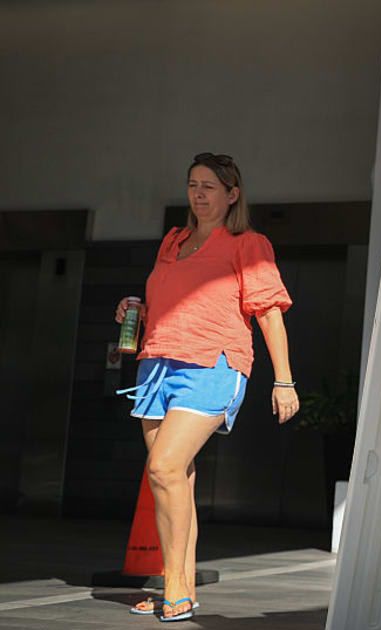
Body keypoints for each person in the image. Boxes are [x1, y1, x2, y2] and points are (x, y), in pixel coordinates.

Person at [115, 152, 298, 622]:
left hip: (213, 365)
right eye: (192, 185)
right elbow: (170, 301)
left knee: (163, 467)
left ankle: (173, 587)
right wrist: (135, 307)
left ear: (231, 194)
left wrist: (284, 380)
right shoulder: (173, 242)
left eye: (209, 187)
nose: (198, 194)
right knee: (173, 480)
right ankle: (182, 587)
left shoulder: (247, 243)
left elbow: (268, 311)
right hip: (157, 363)